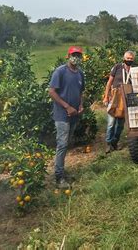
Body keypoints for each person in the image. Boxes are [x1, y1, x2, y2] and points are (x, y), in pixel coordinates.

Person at [49, 46, 85, 189]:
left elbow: (81, 92)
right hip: (62, 115)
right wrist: (67, 106)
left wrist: (80, 106)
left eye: (78, 55)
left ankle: (62, 171)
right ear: (68, 56)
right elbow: (52, 92)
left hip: (74, 115)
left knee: (66, 144)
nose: (76, 57)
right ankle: (58, 177)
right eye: (73, 54)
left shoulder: (80, 73)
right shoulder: (60, 72)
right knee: (62, 144)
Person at [102, 51, 135, 153]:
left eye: (131, 58)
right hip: (115, 96)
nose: (129, 60)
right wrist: (106, 97)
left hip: (126, 98)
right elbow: (109, 83)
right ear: (124, 58)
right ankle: (108, 143)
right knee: (111, 123)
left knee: (120, 124)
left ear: (133, 59)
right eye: (127, 58)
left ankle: (114, 142)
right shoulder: (117, 67)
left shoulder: (134, 69)